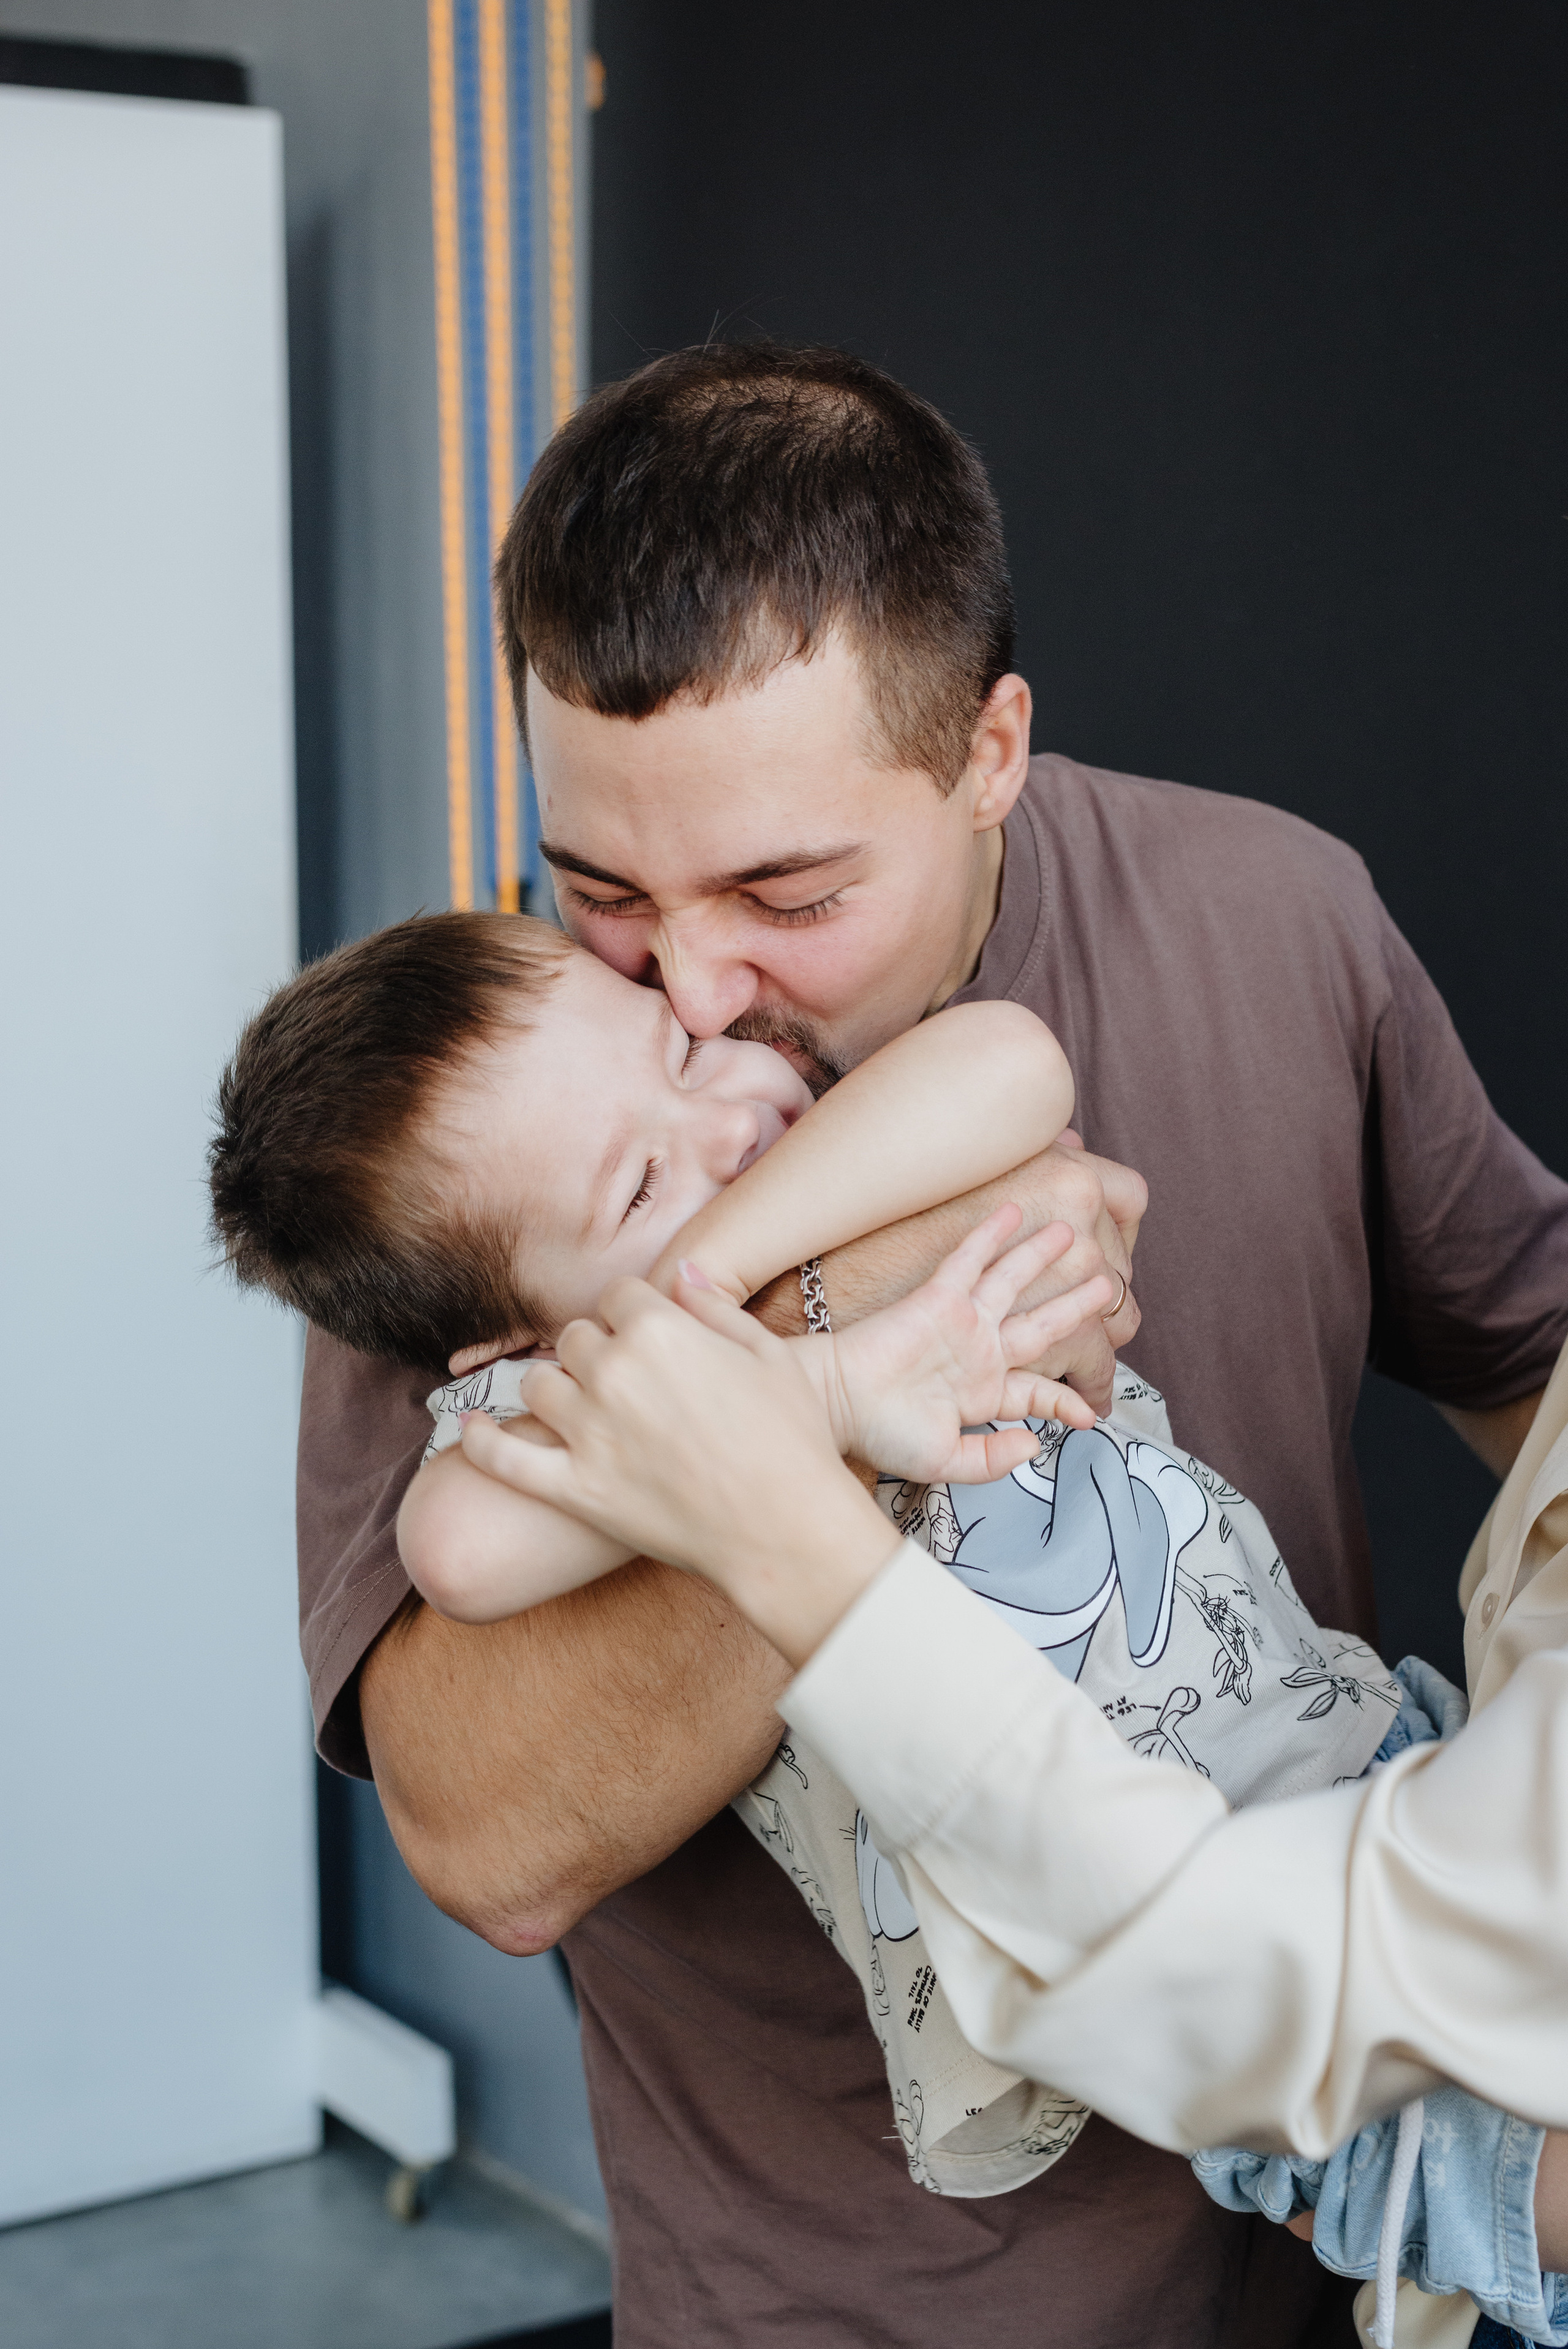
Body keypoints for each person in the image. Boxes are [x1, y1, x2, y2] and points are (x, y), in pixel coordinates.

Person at [297, 340, 1568, 2348]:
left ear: (991, 750)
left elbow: (1529, 1360)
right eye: (600, 886)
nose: (697, 986)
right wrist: (869, 1346)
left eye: (788, 890)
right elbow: (490, 1834)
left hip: (1329, 2224)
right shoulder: (514, 1138)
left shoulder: (1280, 912)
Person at [217, 910, 1427, 2201]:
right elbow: (452, 1542)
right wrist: (832, 1391)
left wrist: (704, 1269)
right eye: (635, 1184)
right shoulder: (574, 1397)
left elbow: (1013, 1061)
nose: (729, 1117)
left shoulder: (827, 1152)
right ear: (509, 1339)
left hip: (1377, 1777)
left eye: (680, 1050)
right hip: (1197, 1986)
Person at [462, 1240, 1568, 2349]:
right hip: (1350, 1958)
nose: (729, 1079)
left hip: (1360, 2035)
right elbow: (458, 1563)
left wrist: (792, 1484)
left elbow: (1213, 1969)